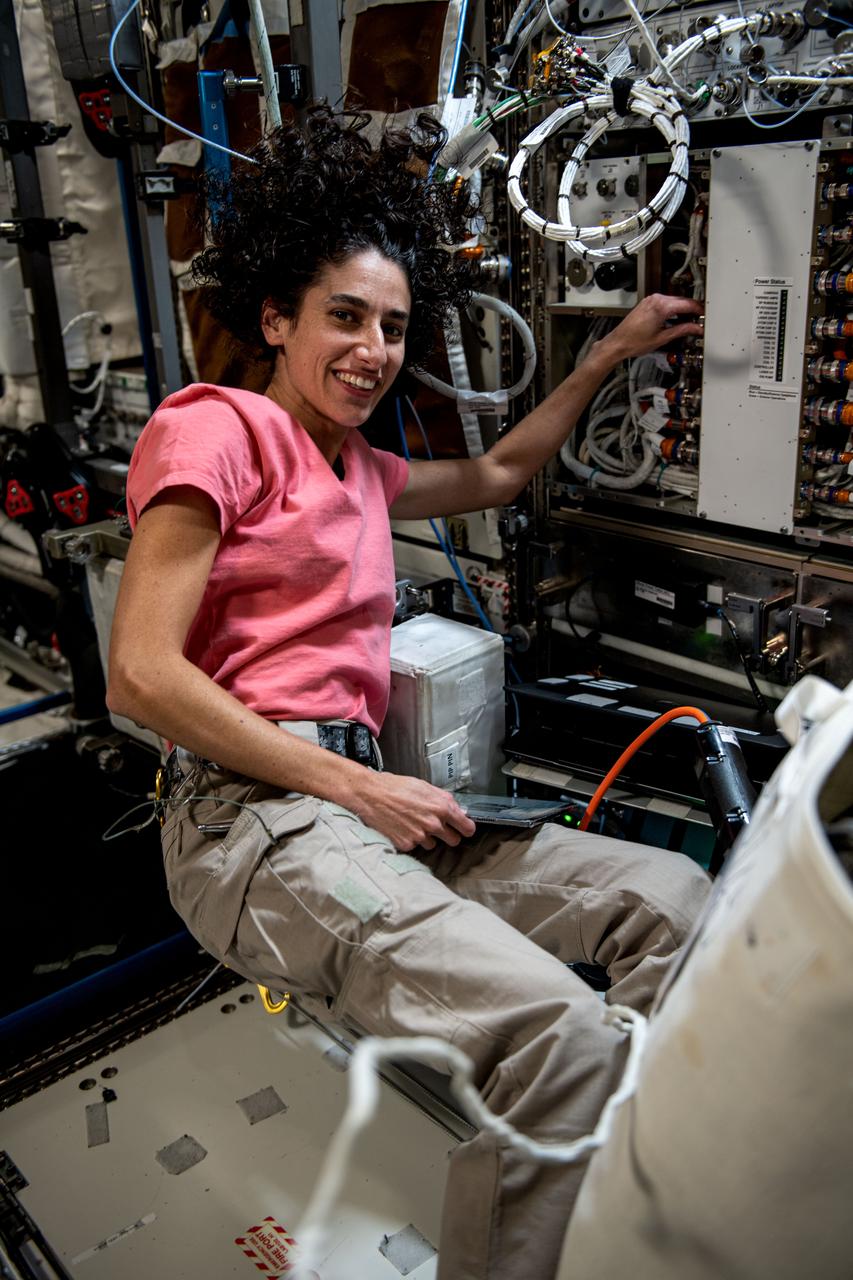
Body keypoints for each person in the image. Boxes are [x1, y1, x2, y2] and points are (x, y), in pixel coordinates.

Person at [107, 107, 709, 1280]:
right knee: (556, 1031)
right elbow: (140, 671)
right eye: (343, 316)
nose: (372, 349)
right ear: (275, 318)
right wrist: (353, 784)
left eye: (391, 325)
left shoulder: (363, 468)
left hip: (361, 801)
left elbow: (493, 469)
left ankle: (608, 1197)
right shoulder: (216, 427)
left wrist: (604, 353)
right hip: (251, 822)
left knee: (674, 895)